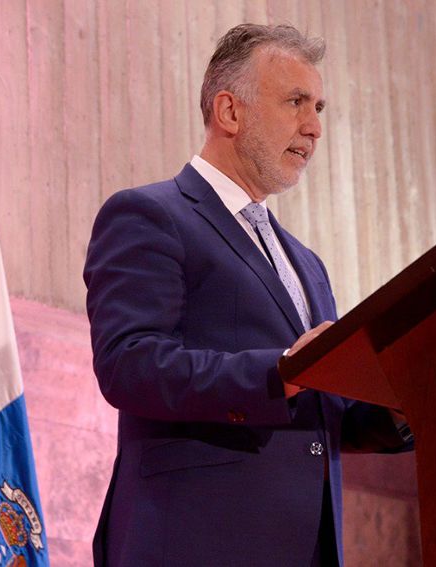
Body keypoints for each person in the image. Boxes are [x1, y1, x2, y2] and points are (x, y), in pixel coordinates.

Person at [84, 23, 412, 567]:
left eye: (319, 108)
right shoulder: (150, 215)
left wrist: (404, 399)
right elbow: (129, 364)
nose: (314, 127)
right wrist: (280, 372)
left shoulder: (307, 264)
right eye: (295, 102)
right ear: (230, 111)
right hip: (195, 543)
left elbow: (324, 415)